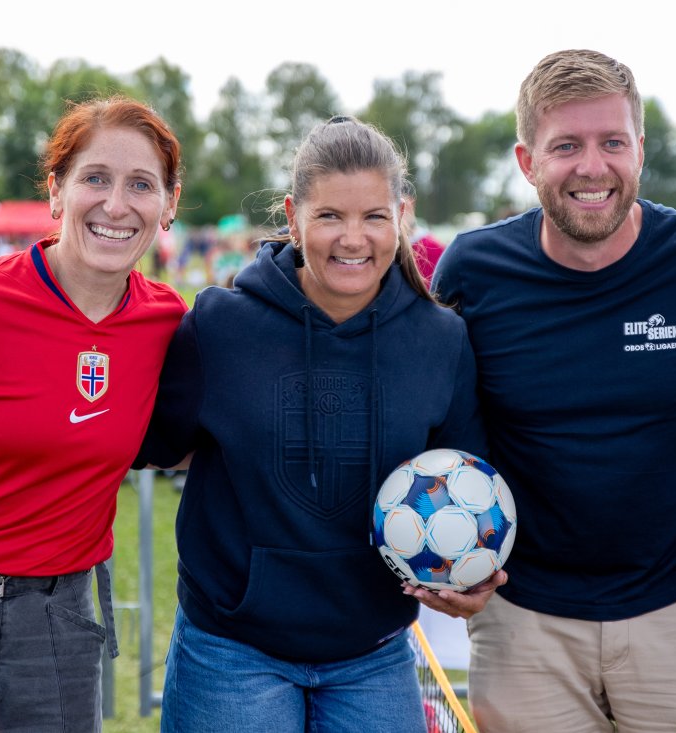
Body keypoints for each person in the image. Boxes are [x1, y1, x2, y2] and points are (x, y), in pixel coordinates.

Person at [431, 49, 676, 733]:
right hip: (524, 619)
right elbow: (430, 413)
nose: (592, 167)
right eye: (566, 145)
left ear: (640, 151)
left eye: (612, 142)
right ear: (526, 160)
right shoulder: (475, 270)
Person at [138, 115, 498, 733]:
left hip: (374, 650)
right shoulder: (220, 327)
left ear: (402, 217)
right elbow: (152, 441)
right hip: (232, 648)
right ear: (293, 215)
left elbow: (463, 484)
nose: (352, 238)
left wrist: (470, 574)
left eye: (374, 217)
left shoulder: (442, 340)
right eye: (330, 215)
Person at [0, 95, 186, 732]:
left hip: (59, 616)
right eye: (95, 178)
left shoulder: (170, 325)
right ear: (56, 191)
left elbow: (194, 441)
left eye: (141, 185)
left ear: (168, 206)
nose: (115, 204)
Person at [401, 181, 446, 287]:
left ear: (411, 204)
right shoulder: (384, 250)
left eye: (403, 205)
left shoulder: (434, 248)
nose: (401, 212)